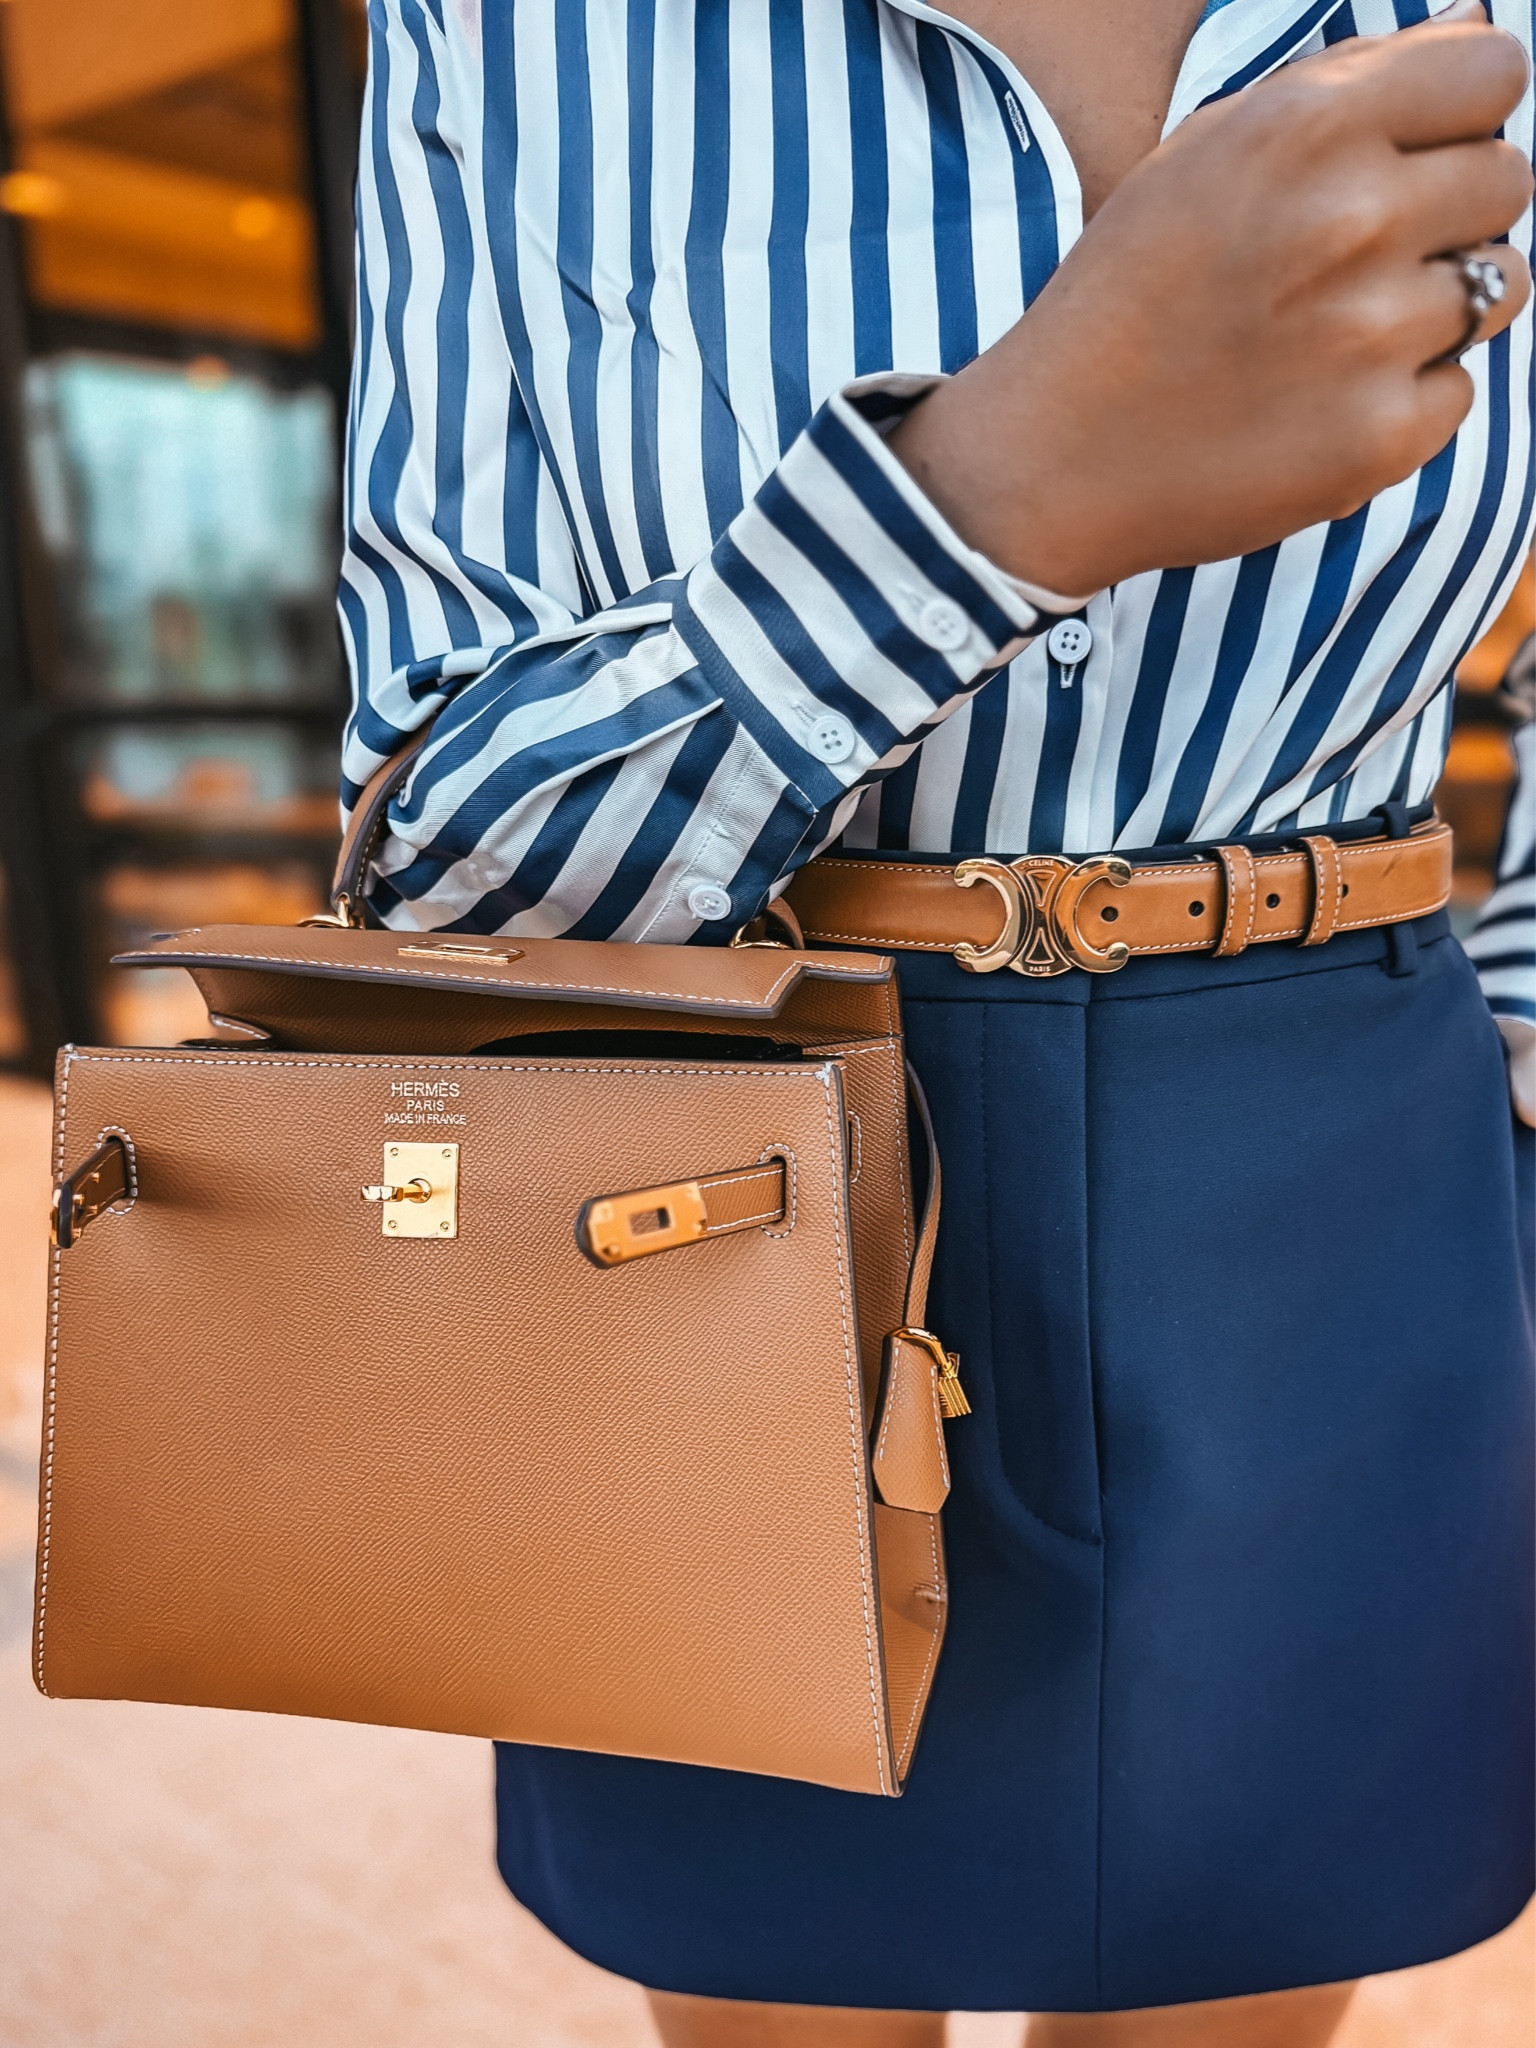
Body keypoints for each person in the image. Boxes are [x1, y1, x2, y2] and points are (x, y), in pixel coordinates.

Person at [337, 0, 1535, 2041]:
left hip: (1341, 1179)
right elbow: (437, 835)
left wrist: (1505, 1105)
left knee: (1242, 1982)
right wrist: (987, 491)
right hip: (717, 1198)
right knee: (768, 1975)